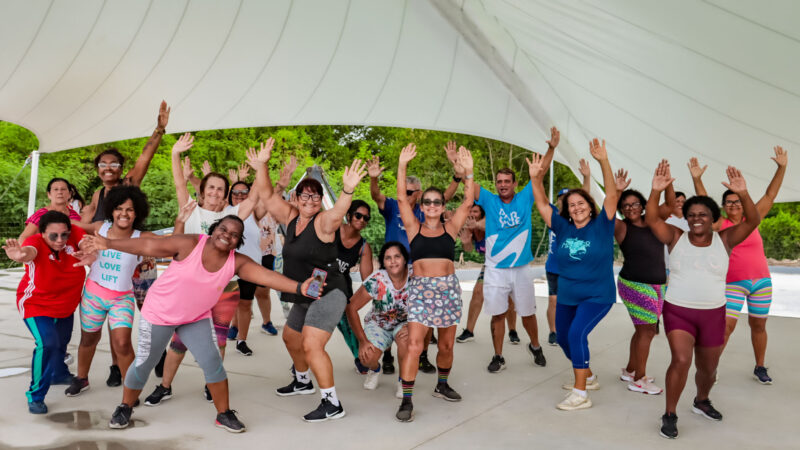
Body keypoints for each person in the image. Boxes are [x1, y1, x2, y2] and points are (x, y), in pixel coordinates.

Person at [81, 215, 316, 432]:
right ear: (213, 230)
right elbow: (150, 245)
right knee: (144, 364)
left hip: (194, 317)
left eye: (234, 234)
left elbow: (267, 276)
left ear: (238, 242)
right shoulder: (190, 244)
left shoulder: (237, 262)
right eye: (223, 229)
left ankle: (223, 413)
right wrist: (109, 243)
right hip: (159, 313)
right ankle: (125, 406)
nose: (227, 235)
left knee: (213, 362)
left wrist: (299, 287)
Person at [143, 135, 262, 406]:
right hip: (189, 290)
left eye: (220, 189)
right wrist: (174, 153)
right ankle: (164, 386)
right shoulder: (191, 210)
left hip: (224, 287)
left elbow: (255, 197)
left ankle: (212, 384)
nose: (215, 193)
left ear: (226, 193)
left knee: (219, 341)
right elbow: (179, 183)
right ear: (203, 190)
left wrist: (260, 168)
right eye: (211, 188)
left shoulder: (232, 216)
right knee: (178, 343)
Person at [646, 163, 760, 439]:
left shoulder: (725, 239)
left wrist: (744, 194)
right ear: (686, 219)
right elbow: (651, 220)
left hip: (713, 314)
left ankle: (702, 400)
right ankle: (670, 414)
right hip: (678, 311)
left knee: (708, 368)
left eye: (703, 214)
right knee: (681, 359)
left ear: (713, 218)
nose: (697, 219)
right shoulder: (675, 237)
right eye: (692, 215)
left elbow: (753, 221)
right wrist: (655, 191)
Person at [258, 146, 367, 422]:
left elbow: (338, 212)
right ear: (295, 198)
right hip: (309, 287)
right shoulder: (290, 216)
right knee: (290, 337)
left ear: (321, 200)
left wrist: (348, 190)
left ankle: (332, 403)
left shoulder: (324, 222)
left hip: (330, 290)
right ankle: (303, 380)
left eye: (316, 196)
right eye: (305, 195)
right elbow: (267, 195)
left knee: (312, 344)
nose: (310, 200)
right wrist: (261, 165)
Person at [80, 100, 170, 387]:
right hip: (111, 263)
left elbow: (145, 157)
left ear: (120, 169)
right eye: (103, 164)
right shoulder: (98, 195)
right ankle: (116, 367)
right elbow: (84, 224)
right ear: (98, 169)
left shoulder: (128, 184)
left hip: (137, 260)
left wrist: (159, 130)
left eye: (113, 164)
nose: (108, 168)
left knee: (149, 311)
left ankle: (159, 354)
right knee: (113, 316)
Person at [529, 138, 619, 411]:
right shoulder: (563, 228)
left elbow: (612, 195)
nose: (577, 207)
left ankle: (581, 394)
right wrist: (536, 179)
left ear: (590, 206)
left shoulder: (603, 225)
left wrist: (603, 161)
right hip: (568, 295)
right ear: (567, 211)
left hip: (597, 295)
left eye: (581, 203)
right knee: (564, 338)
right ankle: (588, 376)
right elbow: (542, 203)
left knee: (577, 333)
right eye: (571, 205)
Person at [689, 147, 788, 384]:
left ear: (743, 204)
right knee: (726, 328)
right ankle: (711, 369)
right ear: (723, 206)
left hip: (761, 282)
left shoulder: (752, 220)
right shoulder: (720, 224)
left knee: (758, 325)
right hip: (733, 283)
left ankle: (760, 366)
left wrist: (782, 167)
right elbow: (705, 206)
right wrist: (697, 180)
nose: (733, 204)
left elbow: (770, 195)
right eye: (728, 202)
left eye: (737, 201)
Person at [394, 143, 474, 422]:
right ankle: (407, 400)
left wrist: (469, 173)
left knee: (446, 346)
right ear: (422, 206)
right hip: (420, 291)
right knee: (415, 346)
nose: (431, 205)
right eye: (427, 202)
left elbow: (467, 202)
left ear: (442, 207)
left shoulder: (450, 229)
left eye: (436, 202)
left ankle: (442, 385)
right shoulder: (413, 228)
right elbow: (401, 199)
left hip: (448, 290)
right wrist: (402, 165)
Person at [473, 127, 561, 374]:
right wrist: (461, 169)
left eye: (507, 181)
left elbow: (540, 172)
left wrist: (551, 148)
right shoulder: (489, 200)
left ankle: (535, 346)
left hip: (521, 268)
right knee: (498, 315)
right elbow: (470, 183)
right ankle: (498, 356)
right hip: (495, 269)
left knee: (527, 314)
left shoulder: (524, 198)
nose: (502, 185)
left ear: (514, 184)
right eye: (499, 182)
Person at [64, 186, 153, 398]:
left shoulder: (142, 237)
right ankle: (82, 378)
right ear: (111, 210)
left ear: (137, 213)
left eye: (130, 209)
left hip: (121, 299)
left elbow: (173, 243)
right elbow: (72, 226)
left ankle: (131, 390)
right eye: (119, 208)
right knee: (88, 339)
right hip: (93, 295)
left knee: (122, 344)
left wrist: (181, 221)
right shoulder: (99, 228)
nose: (124, 213)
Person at [3, 211, 92, 414]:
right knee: (47, 344)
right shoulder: (35, 241)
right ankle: (35, 395)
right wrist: (19, 255)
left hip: (66, 304)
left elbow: (86, 244)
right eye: (53, 235)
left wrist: (91, 253)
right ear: (43, 233)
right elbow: (28, 252)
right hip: (36, 304)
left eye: (64, 234)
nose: (60, 240)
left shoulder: (74, 233)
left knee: (61, 342)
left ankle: (58, 374)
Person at [613, 162, 676, 395]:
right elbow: (605, 215)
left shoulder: (653, 220)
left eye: (635, 204)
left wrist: (667, 184)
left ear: (643, 205)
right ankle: (639, 379)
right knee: (647, 331)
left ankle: (631, 370)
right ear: (621, 209)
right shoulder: (621, 227)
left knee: (643, 330)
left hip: (658, 284)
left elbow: (670, 204)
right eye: (625, 205)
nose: (630, 208)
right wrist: (617, 191)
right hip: (634, 284)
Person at [346, 242, 411, 392]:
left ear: (404, 259)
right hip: (379, 324)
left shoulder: (415, 276)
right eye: (388, 258)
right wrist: (363, 341)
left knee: (407, 343)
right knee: (366, 357)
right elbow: (351, 308)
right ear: (383, 262)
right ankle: (375, 369)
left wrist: (412, 326)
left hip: (404, 323)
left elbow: (427, 304)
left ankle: (404, 380)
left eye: (397, 256)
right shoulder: (377, 279)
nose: (393, 261)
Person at [542, 161, 592, 347]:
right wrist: (537, 176)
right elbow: (540, 197)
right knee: (554, 300)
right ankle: (553, 331)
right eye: (560, 198)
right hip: (554, 267)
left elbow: (585, 198)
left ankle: (573, 330)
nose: (563, 200)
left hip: (573, 269)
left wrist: (586, 177)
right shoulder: (553, 215)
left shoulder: (577, 217)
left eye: (567, 198)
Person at [455, 205, 519, 345]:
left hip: (507, 262)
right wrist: (466, 242)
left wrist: (477, 224)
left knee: (509, 297)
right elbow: (469, 249)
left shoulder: (489, 222)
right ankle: (469, 331)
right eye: (470, 211)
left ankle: (512, 330)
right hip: (490, 264)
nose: (472, 213)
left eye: (475, 211)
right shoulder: (470, 228)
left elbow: (489, 224)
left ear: (482, 213)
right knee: (478, 292)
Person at [334, 199, 374, 373]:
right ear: (349, 215)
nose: (362, 220)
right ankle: (301, 361)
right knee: (310, 321)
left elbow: (369, 282)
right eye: (358, 215)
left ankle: (361, 357)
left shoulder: (363, 247)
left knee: (348, 323)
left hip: (341, 287)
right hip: (319, 281)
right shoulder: (333, 230)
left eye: (366, 218)